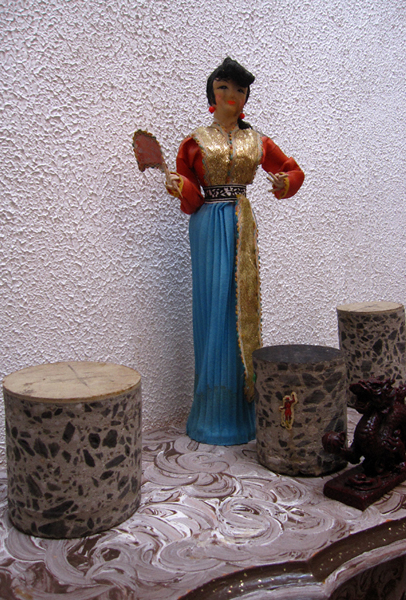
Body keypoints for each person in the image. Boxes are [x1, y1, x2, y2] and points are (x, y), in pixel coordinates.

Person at [166, 57, 304, 445]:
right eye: (223, 87)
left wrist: (283, 182)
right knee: (212, 307)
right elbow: (193, 198)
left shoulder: (257, 141)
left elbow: (294, 171)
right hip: (208, 225)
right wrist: (180, 186)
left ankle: (241, 412)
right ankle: (210, 412)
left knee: (240, 305)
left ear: (246, 98)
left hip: (241, 224)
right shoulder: (194, 142)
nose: (231, 95)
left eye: (239, 89)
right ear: (212, 94)